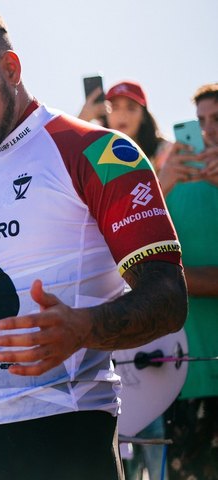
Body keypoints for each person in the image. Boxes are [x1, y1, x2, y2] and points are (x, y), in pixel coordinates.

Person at [0, 1, 187, 478]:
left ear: (10, 68)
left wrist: (85, 327)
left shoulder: (99, 151)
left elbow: (167, 297)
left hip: (63, 433)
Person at [161, 83, 218, 480]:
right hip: (188, 380)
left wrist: (174, 280)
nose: (208, 131)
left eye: (217, 120)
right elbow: (131, 263)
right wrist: (159, 187)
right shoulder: (172, 189)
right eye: (200, 122)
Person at [79, 80, 172, 169]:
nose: (122, 114)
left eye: (131, 108)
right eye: (114, 107)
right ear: (105, 115)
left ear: (143, 115)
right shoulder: (95, 153)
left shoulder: (166, 151)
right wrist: (83, 119)